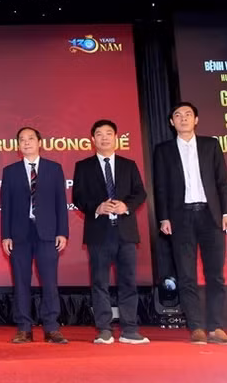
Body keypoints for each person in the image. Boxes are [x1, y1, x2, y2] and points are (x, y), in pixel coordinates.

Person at [153, 102, 227, 344]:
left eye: (188, 115)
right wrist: (164, 217)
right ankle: (196, 327)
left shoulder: (211, 145)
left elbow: (222, 181)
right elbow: (160, 187)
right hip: (181, 218)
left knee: (215, 275)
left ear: (196, 120)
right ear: (171, 123)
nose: (183, 119)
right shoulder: (163, 150)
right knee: (186, 275)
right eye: (178, 116)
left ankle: (216, 327)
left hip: (211, 216)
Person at [72, 120, 149, 344]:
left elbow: (140, 193)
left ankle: (130, 329)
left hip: (126, 232)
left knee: (128, 281)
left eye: (108, 133)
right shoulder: (83, 166)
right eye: (99, 134)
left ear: (116, 138)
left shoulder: (129, 164)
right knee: (99, 282)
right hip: (99, 232)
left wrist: (126, 206)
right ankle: (104, 329)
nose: (104, 138)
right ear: (93, 140)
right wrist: (97, 206)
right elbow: (78, 197)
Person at [0, 127, 68, 344]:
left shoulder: (54, 169)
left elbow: (60, 203)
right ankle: (24, 328)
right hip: (19, 234)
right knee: (21, 281)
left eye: (30, 139)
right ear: (18, 146)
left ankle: (52, 328)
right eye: (22, 139)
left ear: (40, 142)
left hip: (48, 233)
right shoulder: (10, 171)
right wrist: (5, 235)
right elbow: (6, 206)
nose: (26, 142)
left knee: (50, 281)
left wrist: (62, 232)